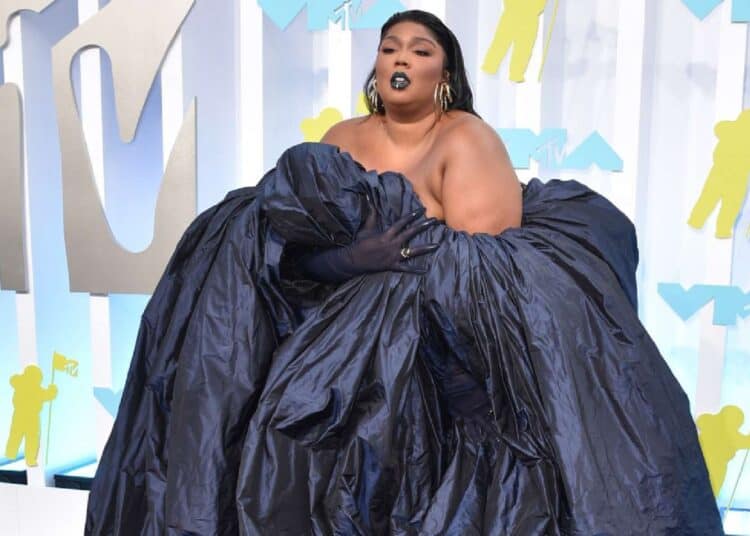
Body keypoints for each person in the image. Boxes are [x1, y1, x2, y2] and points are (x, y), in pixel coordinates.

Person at [86, 10, 723, 536]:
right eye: (389, 47)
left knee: (370, 422)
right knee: (282, 406)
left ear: (444, 74)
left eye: (420, 51)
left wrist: (403, 261)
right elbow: (294, 248)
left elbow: (489, 276)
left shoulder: (466, 140)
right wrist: (352, 259)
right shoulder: (339, 138)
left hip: (431, 340)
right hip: (330, 323)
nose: (401, 58)